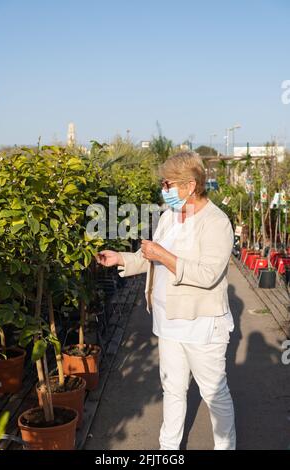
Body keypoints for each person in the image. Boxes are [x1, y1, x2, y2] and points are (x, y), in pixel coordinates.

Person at [96, 151, 236, 450]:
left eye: (168, 183)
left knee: (214, 392)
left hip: (201, 324)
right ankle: (168, 448)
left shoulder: (216, 222)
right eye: (163, 183)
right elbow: (151, 257)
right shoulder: (170, 216)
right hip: (167, 322)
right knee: (172, 389)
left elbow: (208, 273)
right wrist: (122, 258)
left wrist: (164, 255)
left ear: (190, 185)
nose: (164, 189)